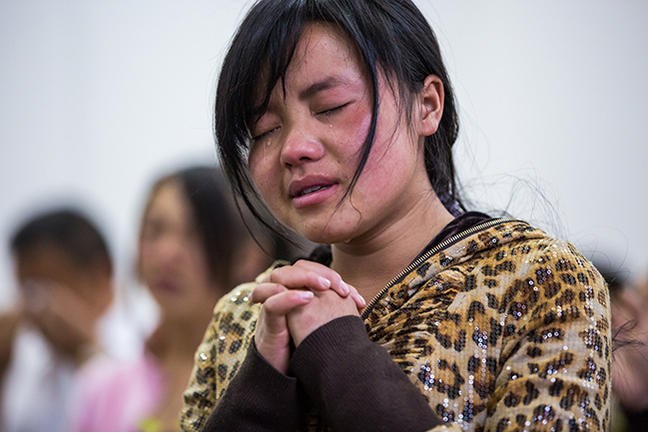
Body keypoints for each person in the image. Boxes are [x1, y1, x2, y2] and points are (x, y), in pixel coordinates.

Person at [180, 0, 612, 431]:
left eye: (330, 107)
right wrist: (259, 388)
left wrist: (336, 351)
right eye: (265, 130)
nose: (294, 148)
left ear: (427, 105)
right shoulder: (243, 317)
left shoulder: (539, 283)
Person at [73, 165, 294, 432]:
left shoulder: (269, 376)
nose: (168, 253)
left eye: (196, 234)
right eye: (155, 229)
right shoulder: (102, 386)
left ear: (249, 255)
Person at [0, 208, 115, 431]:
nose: (33, 308)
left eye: (44, 289)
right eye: (25, 290)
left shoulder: (144, 346)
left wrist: (87, 352)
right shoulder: (28, 360)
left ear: (101, 274)